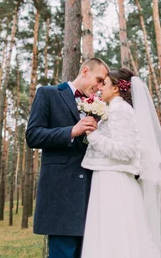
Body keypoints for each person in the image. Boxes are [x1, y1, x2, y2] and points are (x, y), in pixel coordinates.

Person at [81, 68, 161, 258]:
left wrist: (93, 135)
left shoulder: (120, 110)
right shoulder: (114, 109)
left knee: (116, 239)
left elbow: (125, 151)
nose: (100, 88)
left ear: (116, 88)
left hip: (115, 182)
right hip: (108, 178)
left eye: (105, 84)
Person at [26, 58, 109, 258]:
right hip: (60, 195)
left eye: (103, 83)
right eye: (98, 80)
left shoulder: (99, 105)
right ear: (85, 71)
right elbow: (33, 135)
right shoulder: (48, 93)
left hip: (91, 193)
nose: (99, 87)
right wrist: (71, 131)